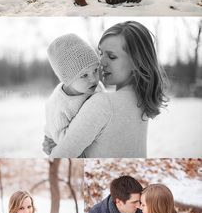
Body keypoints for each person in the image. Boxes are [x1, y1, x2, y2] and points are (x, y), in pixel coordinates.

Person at [45, 21, 166, 160]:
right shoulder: (141, 99)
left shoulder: (103, 104)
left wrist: (54, 149)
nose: (101, 62)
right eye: (101, 53)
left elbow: (58, 160)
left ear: (136, 61)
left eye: (112, 56)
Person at [42, 34, 103, 156]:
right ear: (68, 79)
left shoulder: (96, 86)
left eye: (95, 70)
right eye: (84, 75)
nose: (93, 79)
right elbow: (65, 142)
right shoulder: (59, 105)